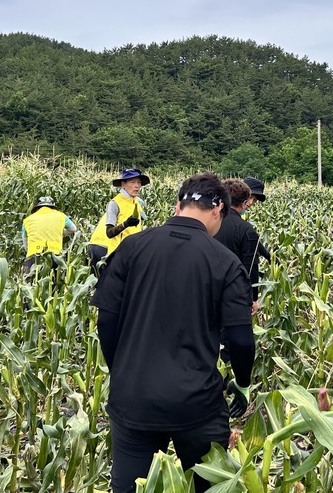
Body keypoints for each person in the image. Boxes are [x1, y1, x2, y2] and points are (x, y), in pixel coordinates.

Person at [90, 172, 254, 493]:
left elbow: (106, 323)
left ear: (178, 205)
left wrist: (121, 373)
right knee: (210, 486)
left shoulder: (131, 247)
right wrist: (243, 382)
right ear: (219, 210)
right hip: (197, 405)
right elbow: (241, 338)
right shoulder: (225, 262)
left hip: (133, 400)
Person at [215, 179, 269, 310]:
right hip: (233, 294)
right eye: (251, 198)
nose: (251, 203)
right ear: (243, 198)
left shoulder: (212, 220)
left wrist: (269, 256)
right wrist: (253, 299)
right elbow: (251, 267)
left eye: (254, 200)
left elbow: (252, 240)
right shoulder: (244, 228)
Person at [87, 168, 149, 273]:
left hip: (120, 250)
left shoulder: (136, 203)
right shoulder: (115, 203)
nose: (137, 186)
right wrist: (126, 224)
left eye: (139, 182)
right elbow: (109, 233)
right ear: (123, 184)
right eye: (132, 182)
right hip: (103, 247)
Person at [22, 196, 77, 276]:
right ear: (52, 207)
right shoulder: (61, 216)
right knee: (54, 284)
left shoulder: (27, 220)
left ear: (37, 208)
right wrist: (60, 232)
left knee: (31, 283)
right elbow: (73, 229)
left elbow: (25, 245)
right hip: (55, 256)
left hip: (34, 256)